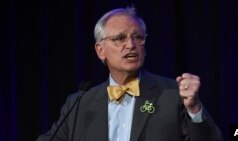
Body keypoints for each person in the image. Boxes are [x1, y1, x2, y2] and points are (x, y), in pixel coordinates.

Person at [37, 7, 223, 141]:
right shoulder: (79, 103)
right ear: (100, 50)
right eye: (120, 38)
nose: (131, 45)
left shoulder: (173, 94)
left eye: (138, 37)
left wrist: (194, 109)